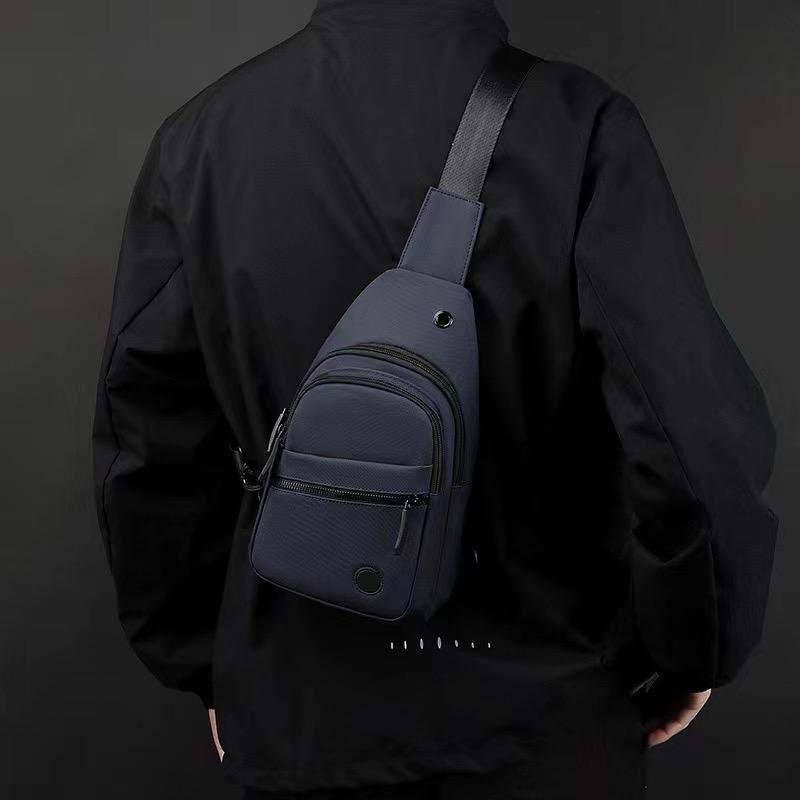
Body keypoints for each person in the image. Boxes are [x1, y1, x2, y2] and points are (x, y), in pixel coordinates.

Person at [92, 1, 777, 797]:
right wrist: (695, 646)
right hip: (545, 717)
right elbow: (691, 438)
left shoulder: (203, 138)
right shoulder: (575, 124)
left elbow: (148, 450)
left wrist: (207, 662)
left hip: (301, 716)